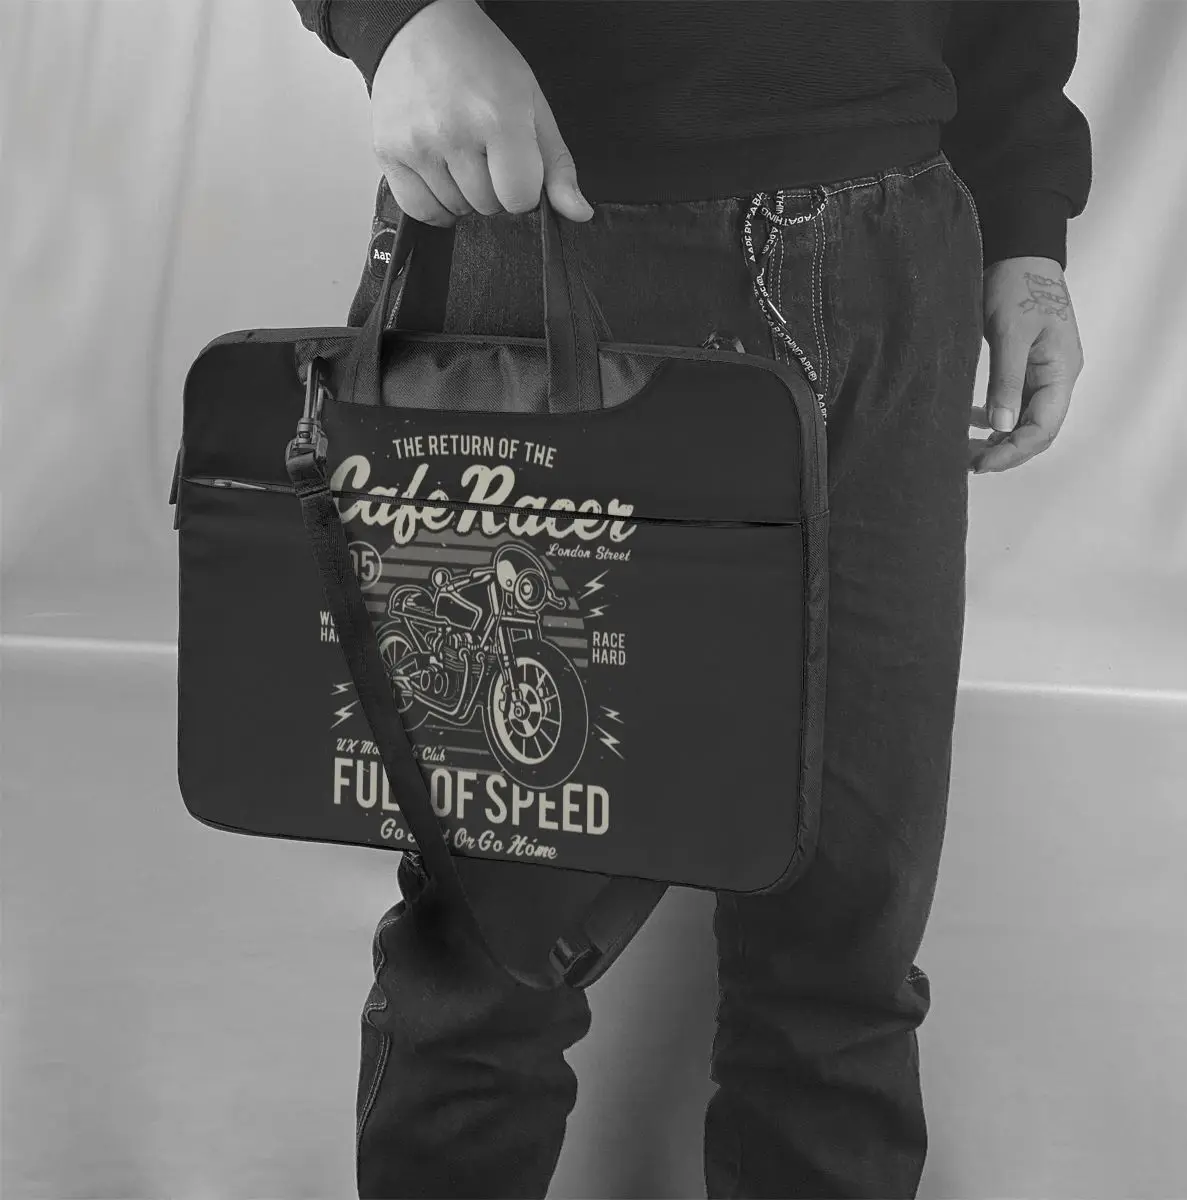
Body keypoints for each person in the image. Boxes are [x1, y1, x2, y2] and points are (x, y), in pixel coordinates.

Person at [289, 2, 1092, 1196]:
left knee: (845, 947)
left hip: (895, 258)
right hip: (554, 228)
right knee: (492, 953)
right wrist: (399, 17)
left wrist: (1025, 214)